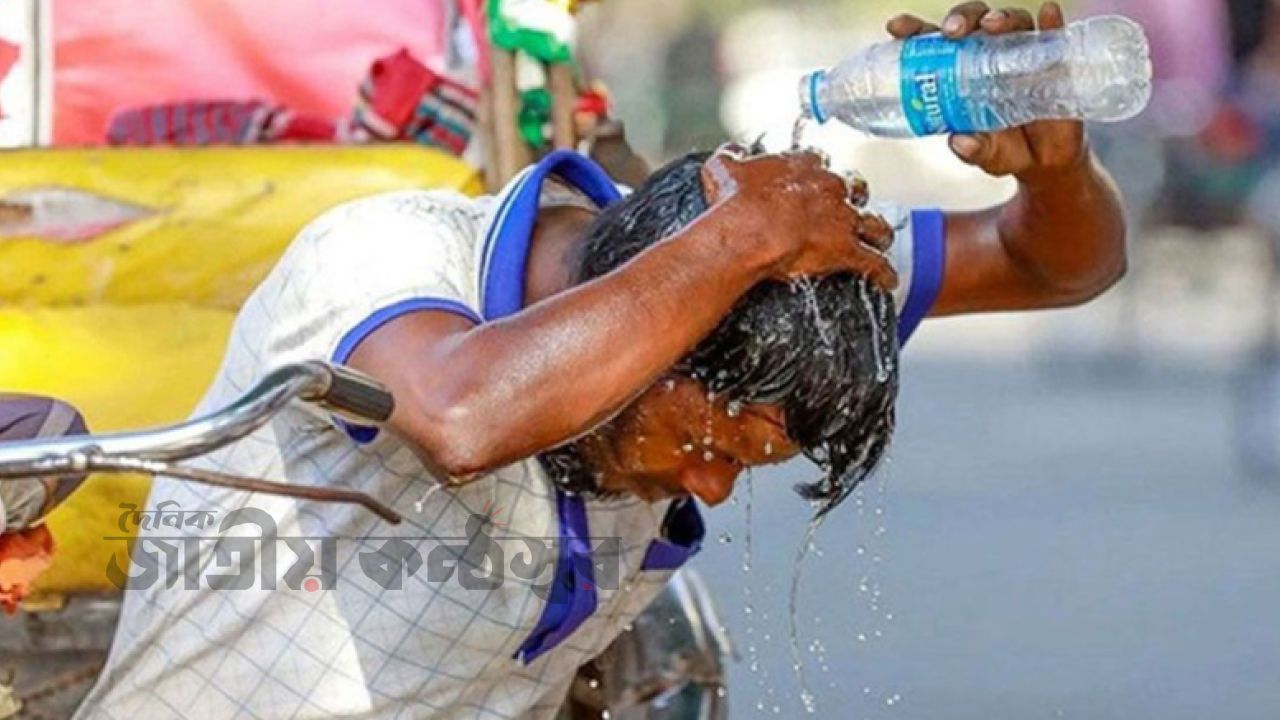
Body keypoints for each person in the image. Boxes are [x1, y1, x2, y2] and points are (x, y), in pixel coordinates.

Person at [77, 3, 1125, 718]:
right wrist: (731, 242)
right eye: (709, 442)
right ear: (663, 323)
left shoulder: (778, 292)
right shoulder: (381, 257)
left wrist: (1060, 165)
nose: (710, 487)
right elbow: (464, 419)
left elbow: (1054, 263)